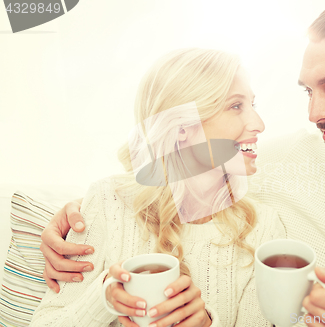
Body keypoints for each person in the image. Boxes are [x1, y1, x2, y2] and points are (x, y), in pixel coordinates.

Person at [40, 0, 325, 326]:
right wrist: (73, 218)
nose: (315, 114)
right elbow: (170, 169)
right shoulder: (283, 160)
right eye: (308, 91)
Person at [31, 48, 286, 327]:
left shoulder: (263, 227)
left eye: (253, 105)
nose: (259, 124)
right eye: (236, 106)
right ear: (180, 127)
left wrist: (206, 325)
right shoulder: (107, 202)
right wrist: (106, 295)